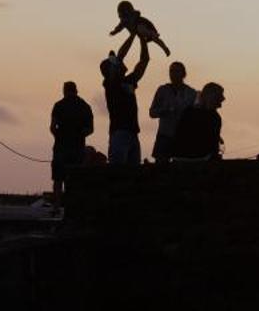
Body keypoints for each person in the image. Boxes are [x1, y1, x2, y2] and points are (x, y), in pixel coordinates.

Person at [102, 32, 152, 167]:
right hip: (120, 133)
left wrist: (142, 39)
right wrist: (134, 34)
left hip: (132, 133)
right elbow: (121, 56)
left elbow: (144, 61)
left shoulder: (128, 81)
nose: (120, 62)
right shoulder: (111, 84)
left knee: (131, 177)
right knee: (118, 175)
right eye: (115, 64)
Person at [49, 81, 95, 198]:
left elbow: (53, 127)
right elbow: (90, 129)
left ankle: (56, 207)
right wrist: (79, 136)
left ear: (64, 90)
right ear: (76, 90)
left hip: (60, 147)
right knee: (75, 179)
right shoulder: (85, 106)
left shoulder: (58, 105)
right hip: (78, 148)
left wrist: (59, 137)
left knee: (58, 179)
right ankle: (73, 207)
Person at [148, 60, 199, 162]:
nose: (173, 74)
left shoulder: (191, 93)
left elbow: (196, 115)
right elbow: (152, 113)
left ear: (184, 74)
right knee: (160, 167)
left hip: (183, 136)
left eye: (176, 71)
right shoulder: (162, 90)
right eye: (171, 71)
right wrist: (165, 111)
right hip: (164, 134)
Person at [166, 82, 226, 161]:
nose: (223, 98)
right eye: (220, 96)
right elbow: (212, 146)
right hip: (199, 159)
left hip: (179, 158)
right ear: (213, 98)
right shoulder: (214, 117)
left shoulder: (188, 112)